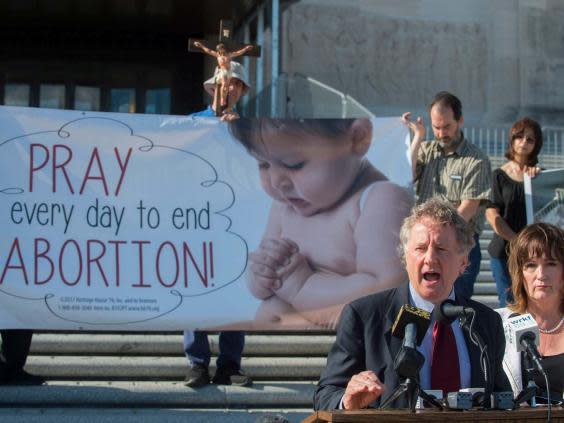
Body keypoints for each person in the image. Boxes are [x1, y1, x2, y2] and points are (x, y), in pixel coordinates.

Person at [314, 198, 510, 410]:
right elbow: (325, 396)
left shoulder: (485, 321)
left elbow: (500, 397)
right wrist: (347, 400)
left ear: (463, 262)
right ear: (405, 259)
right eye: (420, 248)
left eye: (441, 249)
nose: (430, 258)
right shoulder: (364, 316)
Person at [229, 118, 413, 329]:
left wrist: (300, 286)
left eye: (294, 164)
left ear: (356, 138)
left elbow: (387, 290)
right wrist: (260, 275)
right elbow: (261, 278)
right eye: (263, 164)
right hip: (277, 353)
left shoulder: (378, 199)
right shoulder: (284, 208)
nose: (276, 181)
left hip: (342, 355)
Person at [183, 64, 253, 388]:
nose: (231, 89)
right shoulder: (194, 123)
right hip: (199, 220)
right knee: (196, 287)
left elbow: (258, 169)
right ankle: (197, 363)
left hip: (236, 219)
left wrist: (240, 136)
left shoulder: (248, 128)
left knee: (235, 291)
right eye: (225, 83)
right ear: (213, 88)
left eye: (236, 84)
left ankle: (229, 363)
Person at [402, 91, 492, 300]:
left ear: (460, 120)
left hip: (459, 247)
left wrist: (439, 236)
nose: (441, 133)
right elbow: (406, 174)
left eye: (446, 127)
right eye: (436, 127)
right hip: (425, 247)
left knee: (454, 307)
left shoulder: (476, 159)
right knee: (420, 305)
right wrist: (418, 138)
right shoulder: (427, 150)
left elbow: (467, 208)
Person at [496, 223, 564, 401]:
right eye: (531, 265)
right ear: (520, 272)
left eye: (551, 264)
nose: (541, 274)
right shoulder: (497, 324)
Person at [486, 118, 543, 307]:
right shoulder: (498, 175)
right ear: (512, 140)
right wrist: (516, 241)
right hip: (504, 252)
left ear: (536, 145)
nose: (524, 142)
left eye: (530, 139)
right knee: (509, 304)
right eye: (519, 137)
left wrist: (538, 180)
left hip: (533, 253)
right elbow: (492, 215)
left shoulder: (539, 175)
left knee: (534, 303)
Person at [193, 41, 253, 113]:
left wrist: (236, 123)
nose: (232, 88)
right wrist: (201, 46)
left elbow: (238, 53)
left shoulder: (243, 123)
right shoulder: (193, 120)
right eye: (230, 82)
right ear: (213, 87)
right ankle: (222, 99)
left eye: (238, 84)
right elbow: (208, 51)